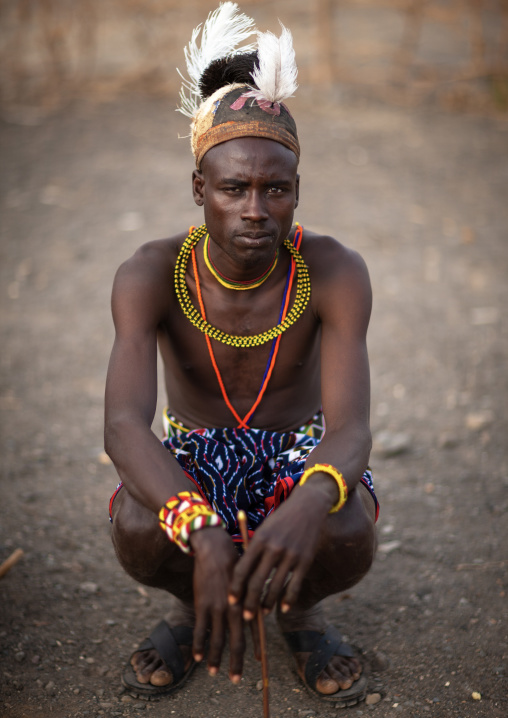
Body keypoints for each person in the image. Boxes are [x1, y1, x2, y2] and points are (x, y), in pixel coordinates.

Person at [105, 2, 379, 708]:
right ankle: (192, 607)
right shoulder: (150, 272)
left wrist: (311, 499)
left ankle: (299, 614)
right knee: (139, 523)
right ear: (201, 190)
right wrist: (200, 533)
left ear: (295, 193)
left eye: (274, 189)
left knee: (347, 525)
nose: (255, 209)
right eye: (233, 188)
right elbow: (125, 426)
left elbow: (350, 429)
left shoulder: (335, 270)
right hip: (195, 453)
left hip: (298, 449)